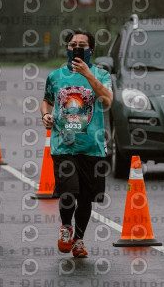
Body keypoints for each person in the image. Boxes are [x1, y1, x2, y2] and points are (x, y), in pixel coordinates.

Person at [40, 29, 112, 258]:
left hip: (92, 146)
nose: (76, 48)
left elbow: (108, 99)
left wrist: (88, 75)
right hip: (63, 144)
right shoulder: (55, 76)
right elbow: (46, 101)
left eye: (82, 44)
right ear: (66, 48)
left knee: (85, 198)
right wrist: (46, 115)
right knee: (69, 191)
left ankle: (79, 240)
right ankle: (66, 227)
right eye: (72, 44)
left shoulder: (101, 75)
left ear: (91, 50)